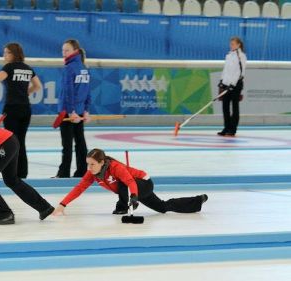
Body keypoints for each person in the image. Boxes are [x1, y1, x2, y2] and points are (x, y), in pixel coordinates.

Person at [52, 149, 208, 216]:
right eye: (87, 164)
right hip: (132, 189)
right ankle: (197, 201)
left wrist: (134, 196)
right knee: (162, 207)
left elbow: (129, 181)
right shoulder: (92, 173)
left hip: (143, 183)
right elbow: (79, 189)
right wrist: (62, 204)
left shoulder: (115, 167)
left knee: (122, 184)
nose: (89, 167)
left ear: (101, 162)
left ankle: (122, 206)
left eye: (92, 164)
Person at [0, 43, 41, 179]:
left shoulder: (9, 67)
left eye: (7, 53)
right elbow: (38, 86)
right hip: (25, 109)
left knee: (10, 141)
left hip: (12, 109)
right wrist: (25, 93)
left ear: (14, 54)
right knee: (21, 141)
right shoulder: (28, 69)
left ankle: (12, 173)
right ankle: (22, 172)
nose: (4, 55)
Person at [54, 39, 91, 178]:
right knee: (80, 142)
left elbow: (69, 92)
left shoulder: (69, 68)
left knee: (67, 144)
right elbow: (88, 92)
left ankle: (64, 173)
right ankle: (82, 171)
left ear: (75, 51)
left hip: (68, 112)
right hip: (79, 111)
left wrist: (71, 111)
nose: (64, 53)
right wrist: (85, 110)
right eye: (63, 50)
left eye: (67, 50)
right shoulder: (84, 68)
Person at [217, 37, 247, 137]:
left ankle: (232, 129)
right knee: (225, 107)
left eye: (233, 44)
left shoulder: (241, 56)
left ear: (239, 45)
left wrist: (232, 84)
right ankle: (226, 127)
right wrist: (222, 81)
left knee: (234, 107)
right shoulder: (229, 55)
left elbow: (239, 72)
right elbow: (225, 70)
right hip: (226, 85)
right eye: (231, 44)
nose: (231, 46)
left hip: (236, 85)